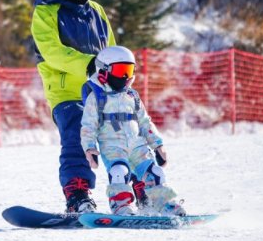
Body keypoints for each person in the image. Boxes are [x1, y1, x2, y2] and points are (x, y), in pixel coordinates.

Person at [31, 0, 116, 213]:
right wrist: (89, 64)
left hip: (99, 90)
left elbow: (110, 48)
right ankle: (78, 195)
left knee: (124, 135)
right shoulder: (46, 12)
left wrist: (117, 72)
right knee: (78, 135)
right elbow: (52, 52)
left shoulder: (97, 11)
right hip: (66, 92)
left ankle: (139, 190)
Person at [80, 45, 186, 216]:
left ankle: (163, 204)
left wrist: (158, 145)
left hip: (138, 146)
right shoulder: (96, 97)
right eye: (121, 70)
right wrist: (90, 148)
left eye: (129, 71)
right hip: (113, 148)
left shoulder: (132, 96)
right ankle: (121, 206)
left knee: (155, 172)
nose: (125, 77)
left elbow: (145, 122)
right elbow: (88, 126)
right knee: (118, 172)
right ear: (104, 71)